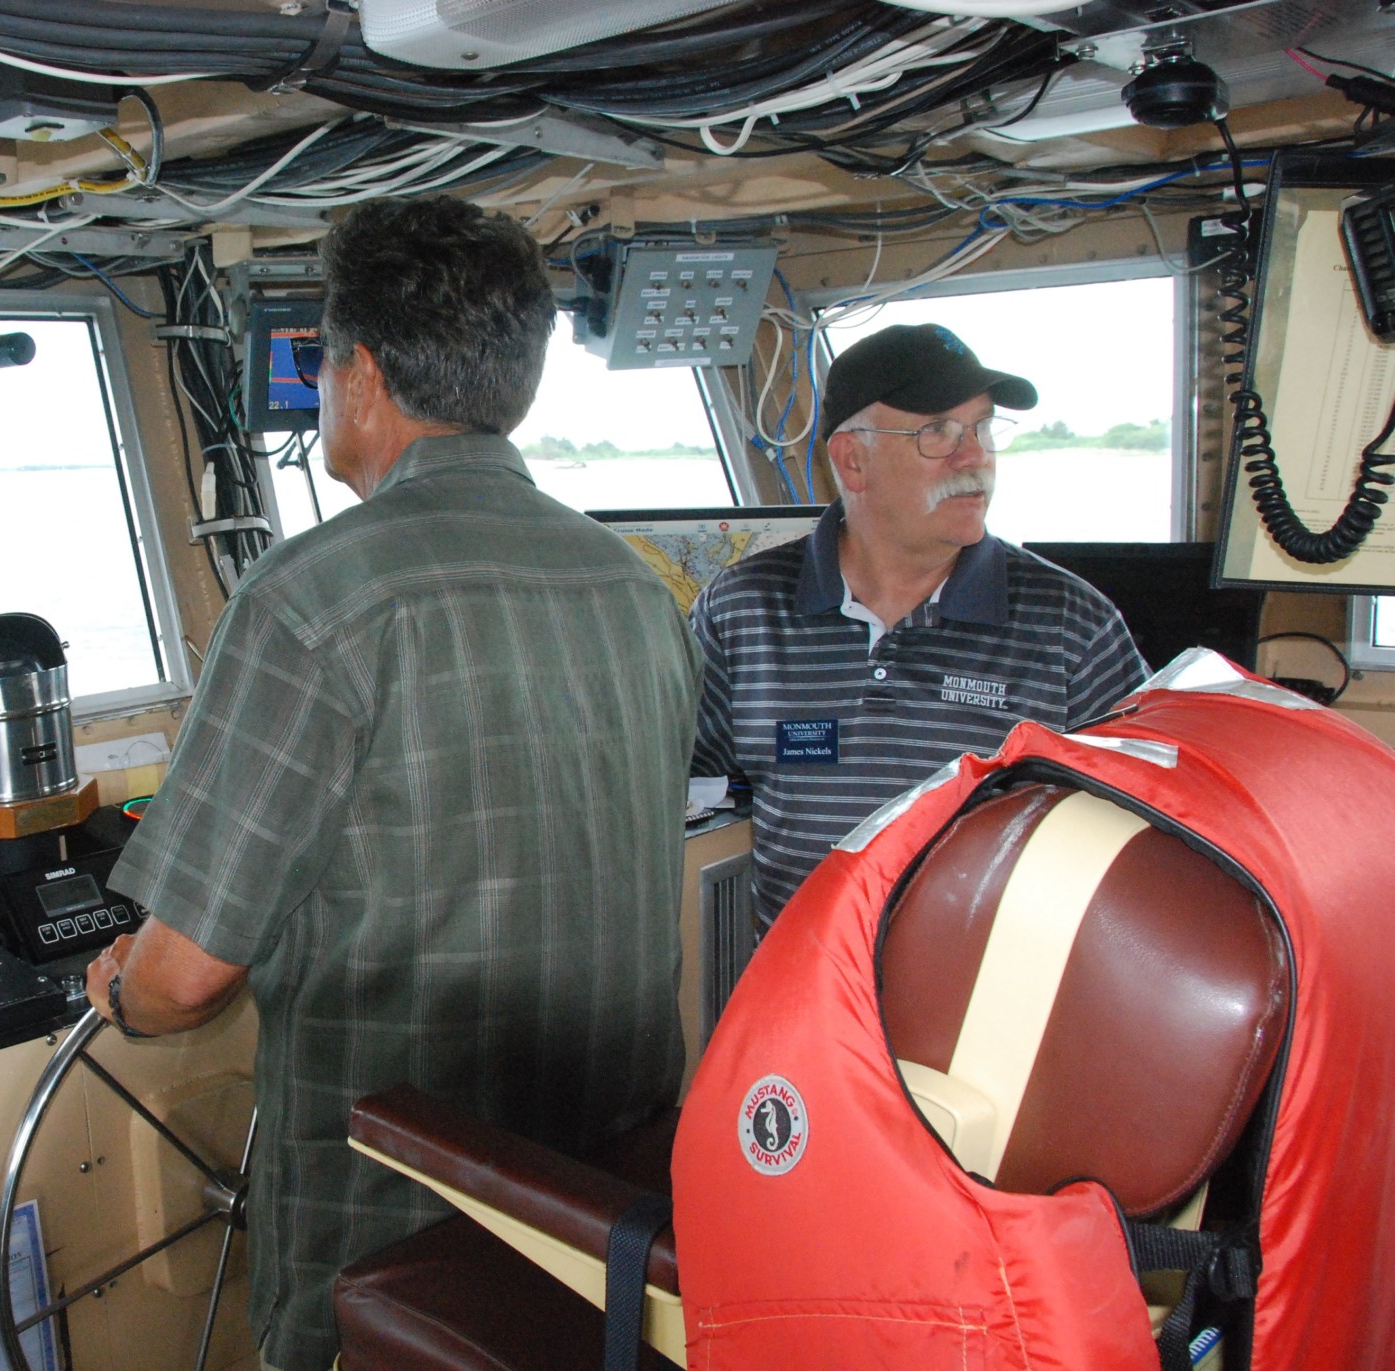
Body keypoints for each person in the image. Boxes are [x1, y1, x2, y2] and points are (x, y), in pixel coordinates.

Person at [87, 196, 700, 1371]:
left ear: (360, 373)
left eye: (321, 362)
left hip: (390, 1223)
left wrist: (117, 988)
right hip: (599, 1215)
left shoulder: (313, 599)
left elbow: (184, 981)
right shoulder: (633, 587)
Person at [689, 322, 1147, 927]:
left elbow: (1146, 826)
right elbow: (682, 767)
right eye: (937, 432)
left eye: (982, 428)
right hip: (804, 999)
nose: (974, 456)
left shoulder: (1071, 625)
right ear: (853, 461)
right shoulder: (743, 610)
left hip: (987, 1002)